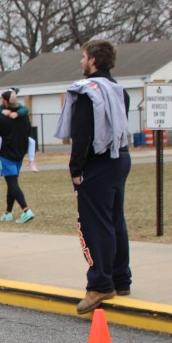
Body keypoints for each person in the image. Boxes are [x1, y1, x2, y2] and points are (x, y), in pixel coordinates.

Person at [54, 39, 132, 314]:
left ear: (93, 60)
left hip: (97, 163)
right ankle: (121, 279)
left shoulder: (87, 92)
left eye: (83, 56)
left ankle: (100, 284)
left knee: (95, 225)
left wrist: (75, 169)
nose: (81, 61)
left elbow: (82, 134)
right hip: (120, 158)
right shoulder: (119, 91)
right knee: (115, 220)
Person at [0, 90, 36, 224]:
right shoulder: (24, 117)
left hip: (6, 156)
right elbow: (28, 133)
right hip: (19, 155)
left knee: (12, 183)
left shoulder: (1, 119)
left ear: (6, 102)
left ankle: (26, 210)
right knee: (12, 183)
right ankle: (8, 213)